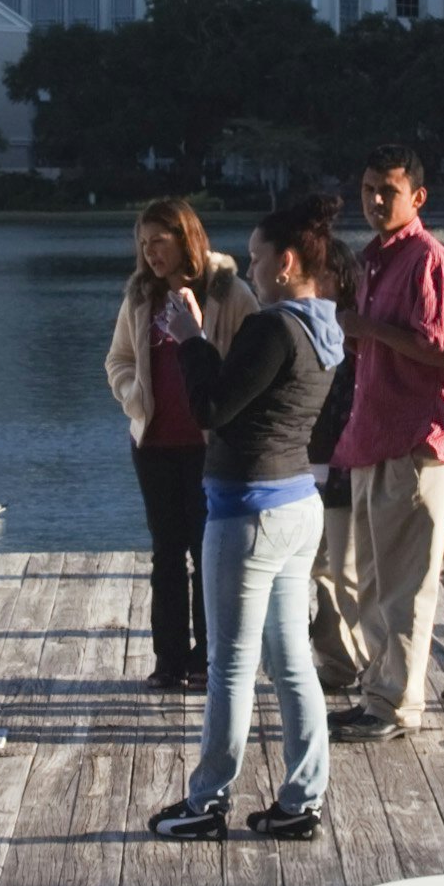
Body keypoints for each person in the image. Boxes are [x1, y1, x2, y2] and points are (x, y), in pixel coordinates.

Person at [152, 196, 340, 841]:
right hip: (296, 505)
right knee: (291, 660)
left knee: (231, 663)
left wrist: (190, 341)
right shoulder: (326, 327)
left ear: (286, 262)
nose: (252, 270)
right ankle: (301, 800)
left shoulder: (272, 327)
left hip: (248, 511)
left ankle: (206, 801)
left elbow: (212, 409)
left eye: (258, 258)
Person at [322, 148, 444, 735]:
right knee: (369, 582)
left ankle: (398, 704)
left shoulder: (428, 262)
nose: (376, 200)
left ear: (418, 197)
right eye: (368, 189)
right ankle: (379, 690)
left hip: (418, 440)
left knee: (407, 584)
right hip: (372, 436)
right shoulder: (373, 260)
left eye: (388, 190)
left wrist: (367, 330)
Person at [102, 198, 251, 690]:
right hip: (154, 443)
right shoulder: (141, 295)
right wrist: (135, 398)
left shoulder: (229, 294)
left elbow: (258, 359)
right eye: (143, 244)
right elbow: (118, 360)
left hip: (210, 445)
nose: (150, 254)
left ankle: (207, 659)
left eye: (159, 242)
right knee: (166, 552)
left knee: (208, 551)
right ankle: (168, 660)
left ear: (185, 238)